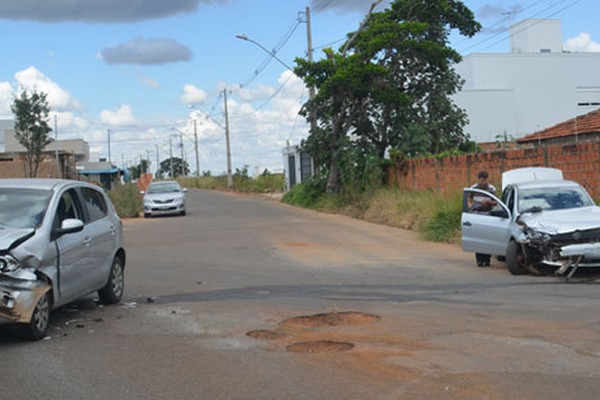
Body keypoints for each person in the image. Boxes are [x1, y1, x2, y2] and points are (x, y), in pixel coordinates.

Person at [468, 170, 497, 267]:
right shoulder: (473, 188)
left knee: (487, 238)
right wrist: (471, 207)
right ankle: (479, 260)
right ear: (478, 180)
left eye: (485, 180)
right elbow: (469, 200)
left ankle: (487, 259)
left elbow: (496, 202)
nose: (483, 182)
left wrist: (488, 202)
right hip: (477, 215)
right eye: (481, 180)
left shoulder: (491, 189)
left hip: (488, 215)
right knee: (478, 238)